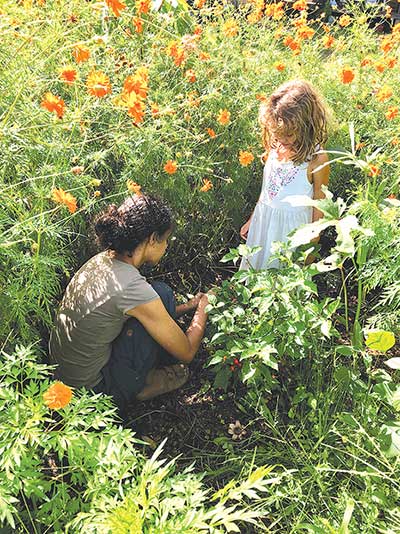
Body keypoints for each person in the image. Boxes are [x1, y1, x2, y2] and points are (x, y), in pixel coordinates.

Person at [49, 193, 210, 416]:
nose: (166, 247)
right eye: (165, 240)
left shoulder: (102, 260)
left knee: (161, 294)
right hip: (93, 395)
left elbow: (130, 313)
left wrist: (186, 307)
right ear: (152, 239)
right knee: (160, 295)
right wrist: (204, 306)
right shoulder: (131, 288)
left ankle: (134, 380)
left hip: (65, 378)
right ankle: (140, 386)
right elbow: (187, 352)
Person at [240, 79, 330, 270]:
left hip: (290, 233)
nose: (282, 139)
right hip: (264, 224)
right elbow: (267, 190)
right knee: (255, 272)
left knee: (281, 279)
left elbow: (319, 210)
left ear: (306, 126)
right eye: (277, 133)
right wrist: (253, 218)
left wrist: (309, 249)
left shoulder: (316, 160)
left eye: (289, 134)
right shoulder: (274, 146)